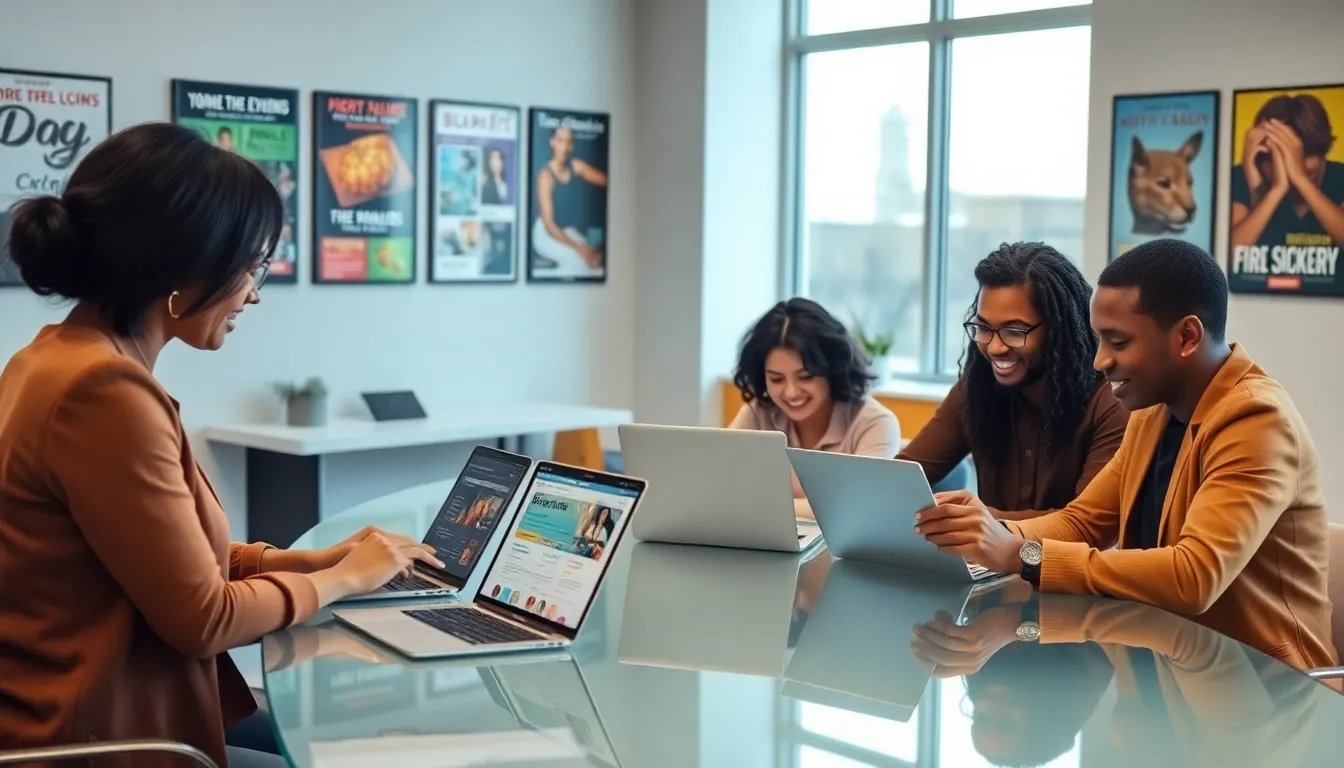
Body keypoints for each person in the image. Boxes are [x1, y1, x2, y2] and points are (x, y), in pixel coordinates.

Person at [0, 123, 443, 768]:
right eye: (252, 267)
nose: (255, 293)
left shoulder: (53, 359)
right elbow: (202, 618)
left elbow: (167, 562)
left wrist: (321, 561)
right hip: (100, 743)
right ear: (185, 267)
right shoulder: (102, 392)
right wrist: (349, 578)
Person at [912, 238, 1335, 670]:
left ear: (1187, 336)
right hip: (1168, 671)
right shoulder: (1152, 412)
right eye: (1099, 340)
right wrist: (990, 532)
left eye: (1117, 342)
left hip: (1267, 695)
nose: (1098, 361)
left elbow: (1193, 577)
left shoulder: (1255, 418)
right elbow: (1084, 521)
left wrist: (1022, 555)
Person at [898, 242, 1129, 520]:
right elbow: (903, 475)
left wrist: (983, 521)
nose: (995, 348)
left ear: (1058, 328)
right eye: (983, 328)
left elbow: (1088, 525)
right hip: (986, 563)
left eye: (1014, 330)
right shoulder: (977, 385)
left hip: (1064, 563)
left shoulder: (1113, 401)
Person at [730, 298, 900, 519]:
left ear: (833, 369)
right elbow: (723, 488)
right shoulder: (758, 413)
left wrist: (759, 505)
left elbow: (858, 509)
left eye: (806, 376)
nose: (791, 392)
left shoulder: (875, 424)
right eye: (777, 379)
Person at [1230, 93, 1344, 251]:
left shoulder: (1339, 177)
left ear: (1323, 152)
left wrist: (1300, 178)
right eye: (1276, 157)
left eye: (1303, 155)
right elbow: (1220, 256)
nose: (1290, 166)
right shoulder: (1241, 177)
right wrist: (1271, 192)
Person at [531, 126, 606, 275]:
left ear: (572, 145)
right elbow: (550, 226)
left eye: (569, 142)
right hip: (546, 233)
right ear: (552, 142)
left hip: (567, 231)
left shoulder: (576, 166)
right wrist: (580, 248)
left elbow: (606, 180)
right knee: (579, 261)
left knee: (596, 263)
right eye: (560, 140)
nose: (564, 147)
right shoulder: (545, 176)